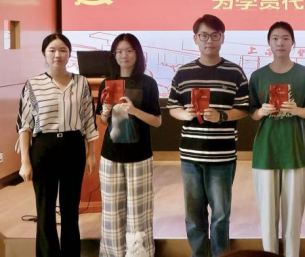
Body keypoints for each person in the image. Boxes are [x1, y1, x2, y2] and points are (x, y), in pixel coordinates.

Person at [167, 14, 249, 257]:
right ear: (195, 38)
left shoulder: (235, 72)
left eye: (215, 36)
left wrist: (221, 116)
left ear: (223, 38)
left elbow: (244, 108)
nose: (209, 41)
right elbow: (172, 106)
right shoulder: (184, 72)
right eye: (204, 36)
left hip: (222, 156)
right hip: (191, 156)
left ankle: (221, 255)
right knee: (194, 217)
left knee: (221, 216)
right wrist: (184, 114)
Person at [16, 33, 99, 257]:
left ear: (69, 53)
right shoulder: (33, 84)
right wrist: (25, 161)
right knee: (45, 210)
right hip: (44, 147)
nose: (57, 55)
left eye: (63, 50)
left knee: (71, 209)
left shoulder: (81, 82)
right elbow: (25, 125)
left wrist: (91, 154)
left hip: (73, 146)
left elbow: (88, 120)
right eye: (52, 50)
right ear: (44, 53)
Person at [249, 21, 305, 257]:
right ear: (269, 42)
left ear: (293, 42)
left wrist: (297, 110)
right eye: (275, 38)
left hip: (295, 150)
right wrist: (262, 111)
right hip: (265, 151)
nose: (280, 43)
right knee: (267, 215)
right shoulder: (258, 76)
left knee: (293, 215)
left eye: (285, 38)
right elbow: (252, 112)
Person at [96, 33, 162, 256]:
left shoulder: (148, 83)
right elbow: (103, 122)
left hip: (139, 155)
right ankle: (112, 254)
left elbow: (157, 121)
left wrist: (134, 110)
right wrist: (105, 113)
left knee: (138, 211)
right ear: (114, 55)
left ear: (137, 54)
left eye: (129, 50)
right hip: (110, 155)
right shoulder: (106, 83)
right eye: (119, 51)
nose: (124, 55)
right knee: (111, 212)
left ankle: (139, 253)